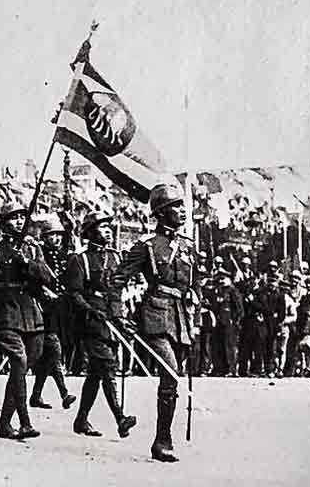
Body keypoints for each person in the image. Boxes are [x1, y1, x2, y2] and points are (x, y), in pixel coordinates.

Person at [111, 183, 196, 463]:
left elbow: (192, 285)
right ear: (160, 213)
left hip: (181, 317)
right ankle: (162, 441)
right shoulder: (145, 246)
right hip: (155, 315)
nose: (182, 212)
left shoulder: (187, 246)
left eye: (182, 206)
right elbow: (117, 281)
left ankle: (163, 437)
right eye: (175, 207)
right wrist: (118, 314)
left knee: (172, 380)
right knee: (170, 373)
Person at [0, 201, 56, 440]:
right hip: (5, 312)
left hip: (31, 312)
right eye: (13, 218)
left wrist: (27, 264)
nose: (19, 222)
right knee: (18, 361)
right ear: (3, 223)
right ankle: (25, 421)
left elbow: (48, 277)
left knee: (26, 365)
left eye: (21, 217)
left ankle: (4, 424)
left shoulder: (33, 249)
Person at [65, 210, 136, 438]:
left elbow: (116, 292)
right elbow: (74, 294)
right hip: (90, 322)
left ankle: (81, 420)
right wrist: (90, 310)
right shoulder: (79, 259)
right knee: (107, 366)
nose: (107, 231)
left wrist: (120, 318)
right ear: (90, 232)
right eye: (101, 227)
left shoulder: (116, 258)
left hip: (111, 321)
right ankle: (120, 417)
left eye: (108, 227)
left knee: (96, 373)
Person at [29, 216, 77, 411]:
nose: (56, 239)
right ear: (44, 237)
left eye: (58, 235)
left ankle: (35, 396)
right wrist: (43, 291)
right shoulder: (39, 255)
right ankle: (64, 393)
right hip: (43, 309)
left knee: (47, 356)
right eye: (51, 236)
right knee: (54, 350)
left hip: (58, 310)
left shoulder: (63, 255)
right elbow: (32, 280)